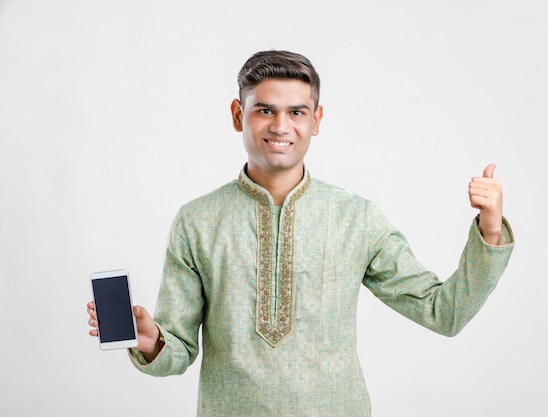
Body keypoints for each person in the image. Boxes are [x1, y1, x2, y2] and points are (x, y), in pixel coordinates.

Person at [87, 50, 514, 416]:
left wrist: (490, 227)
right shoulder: (197, 221)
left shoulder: (356, 218)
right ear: (239, 116)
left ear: (316, 120)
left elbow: (443, 312)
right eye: (265, 109)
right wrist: (151, 343)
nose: (280, 125)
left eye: (296, 112)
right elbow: (177, 350)